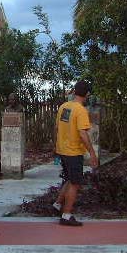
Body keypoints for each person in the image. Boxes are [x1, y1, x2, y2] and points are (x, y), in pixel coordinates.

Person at [52, 80, 98, 226]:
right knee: (75, 183)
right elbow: (83, 133)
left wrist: (57, 146)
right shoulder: (81, 110)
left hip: (62, 150)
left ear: (74, 91)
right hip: (73, 152)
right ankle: (66, 216)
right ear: (88, 94)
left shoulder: (63, 107)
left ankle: (57, 204)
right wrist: (92, 153)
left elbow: (56, 128)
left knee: (69, 179)